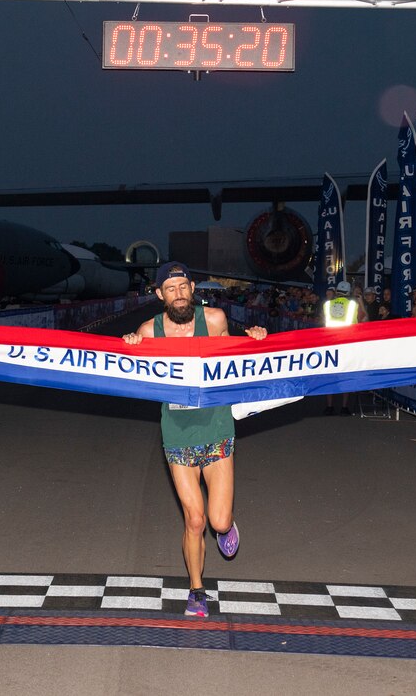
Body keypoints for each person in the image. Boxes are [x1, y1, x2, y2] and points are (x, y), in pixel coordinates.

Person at [123, 262, 267, 618]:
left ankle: (227, 525)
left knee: (217, 521)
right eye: (170, 289)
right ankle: (197, 591)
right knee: (194, 520)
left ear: (192, 288)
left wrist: (257, 340)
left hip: (216, 429)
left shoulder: (215, 319)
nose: (178, 294)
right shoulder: (149, 330)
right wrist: (131, 346)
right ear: (159, 295)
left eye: (183, 286)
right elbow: (130, 370)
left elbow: (236, 359)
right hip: (177, 435)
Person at [323, 281, 358, 415]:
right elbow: (355, 322)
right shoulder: (352, 305)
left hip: (330, 342)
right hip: (346, 343)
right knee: (345, 375)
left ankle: (329, 406)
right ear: (348, 292)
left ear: (337, 291)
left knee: (330, 375)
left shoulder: (327, 304)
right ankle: (344, 407)